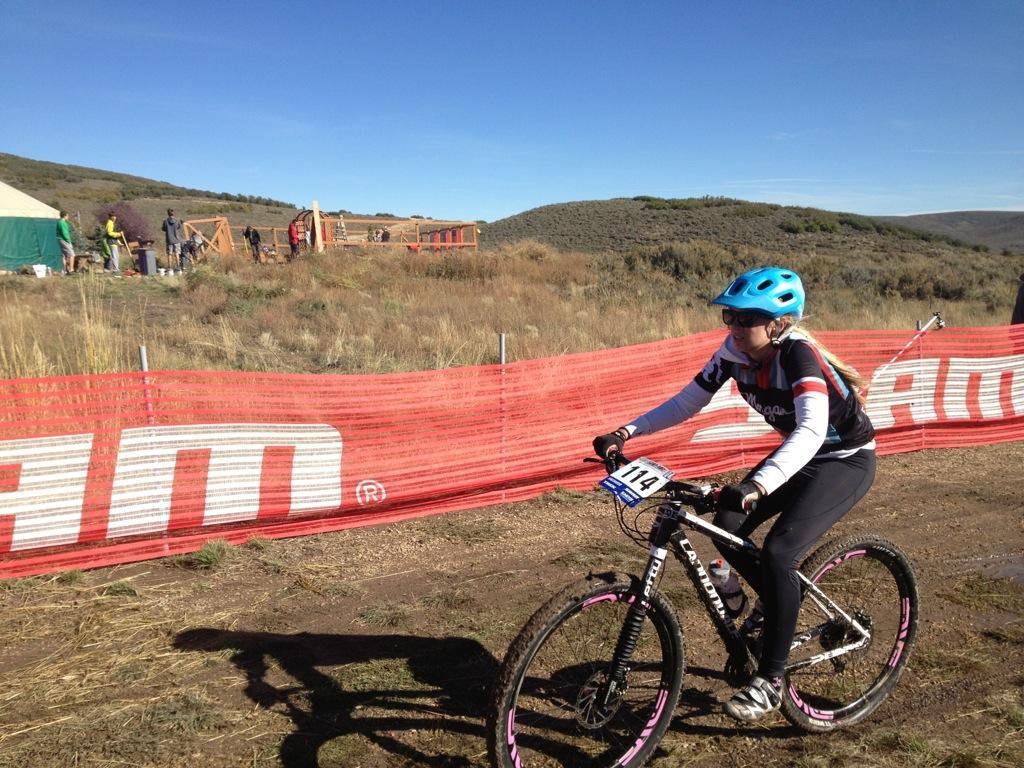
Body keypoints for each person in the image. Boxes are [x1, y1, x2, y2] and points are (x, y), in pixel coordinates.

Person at [593, 266, 876, 724]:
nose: (736, 327)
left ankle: (771, 679)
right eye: (731, 316)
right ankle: (781, 606)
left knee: (781, 552)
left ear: (779, 323)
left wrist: (756, 485)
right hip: (796, 455)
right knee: (723, 527)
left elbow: (809, 430)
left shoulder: (800, 358)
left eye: (748, 319)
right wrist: (626, 431)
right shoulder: (732, 354)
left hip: (843, 460)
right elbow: (687, 401)